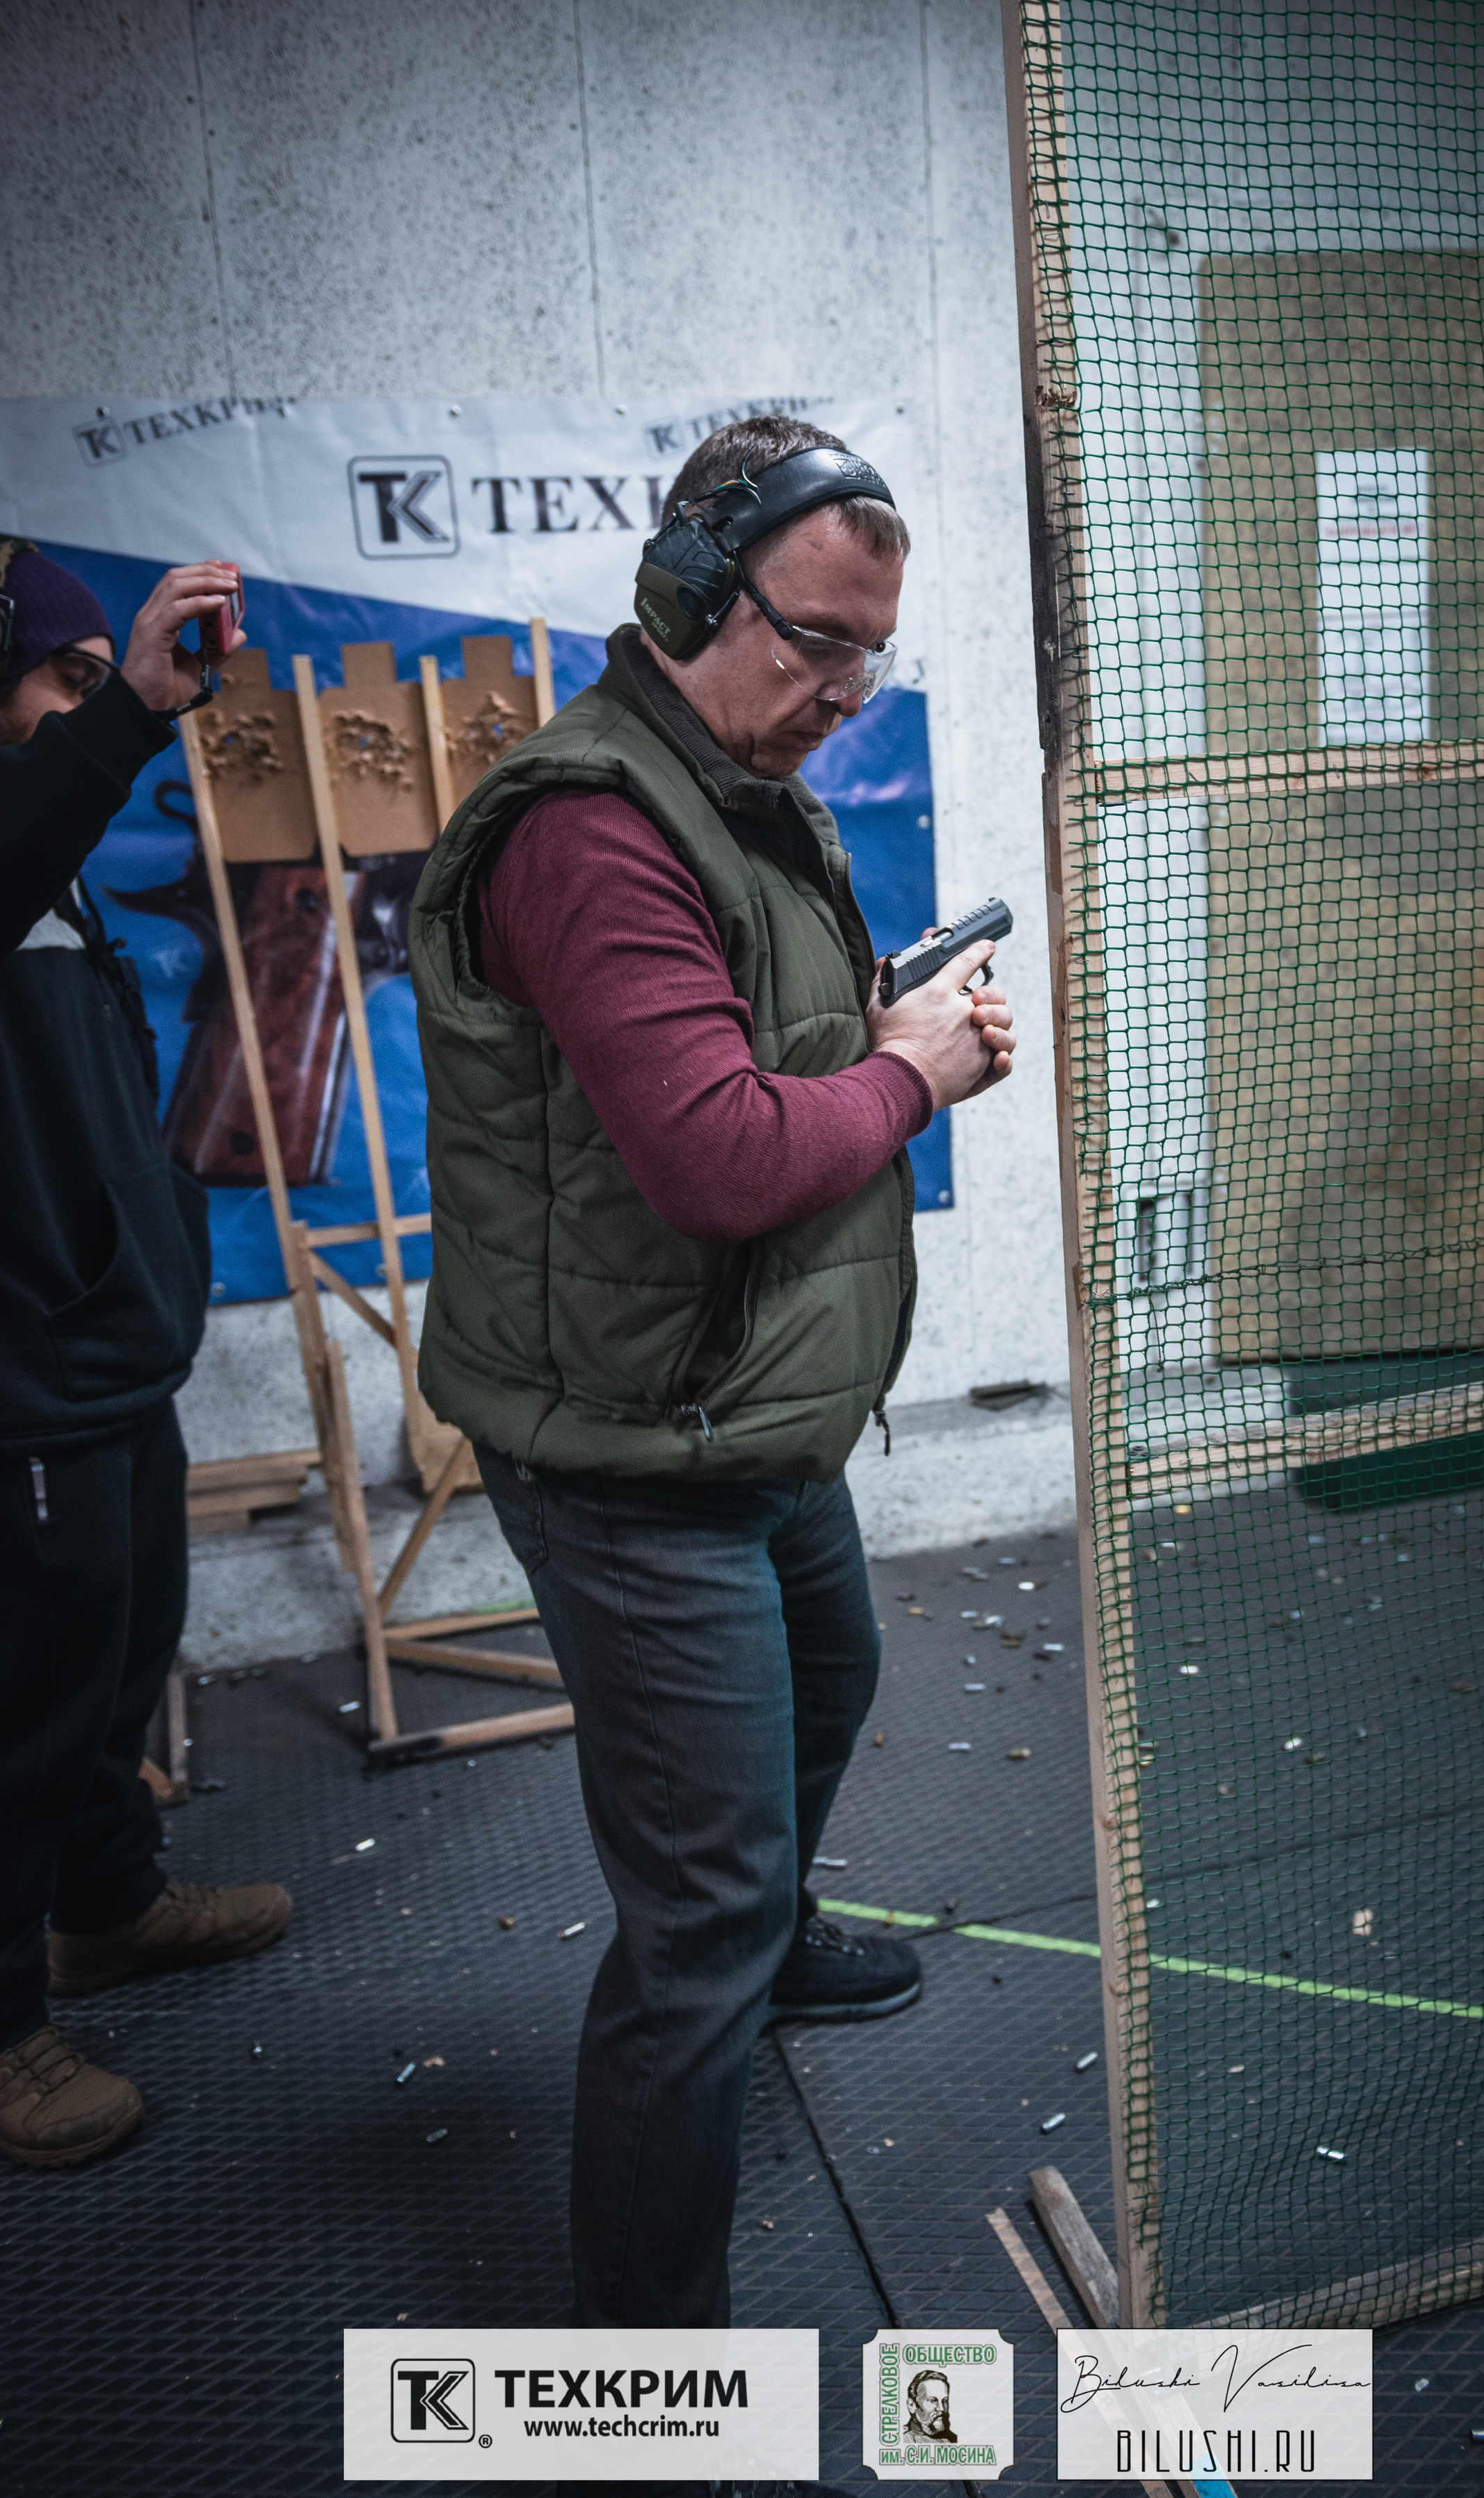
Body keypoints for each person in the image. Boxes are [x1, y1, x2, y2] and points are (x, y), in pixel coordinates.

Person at [411, 417, 1016, 2328]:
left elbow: (745, 1056)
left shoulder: (737, 787)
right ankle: (648, 2362)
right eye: (812, 642)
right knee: (699, 1916)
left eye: (870, 656)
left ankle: (779, 1936)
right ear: (684, 596)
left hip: (728, 1402)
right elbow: (717, 1157)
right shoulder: (595, 831)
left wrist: (872, 1017)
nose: (843, 692)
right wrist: (912, 1068)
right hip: (627, 1443)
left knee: (828, 1675)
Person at [0, 537, 293, 2171]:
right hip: (11, 1372)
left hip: (103, 1349)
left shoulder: (45, 845)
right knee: (14, 1701)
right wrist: (125, 718)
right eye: (64, 675)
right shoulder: (3, 828)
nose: (89, 712)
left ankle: (105, 1907)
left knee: (116, 1651)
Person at [903, 2373, 957, 2445]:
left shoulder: (953, 2439)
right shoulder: (905, 2440)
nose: (942, 2409)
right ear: (912, 2405)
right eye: (932, 2401)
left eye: (945, 2401)